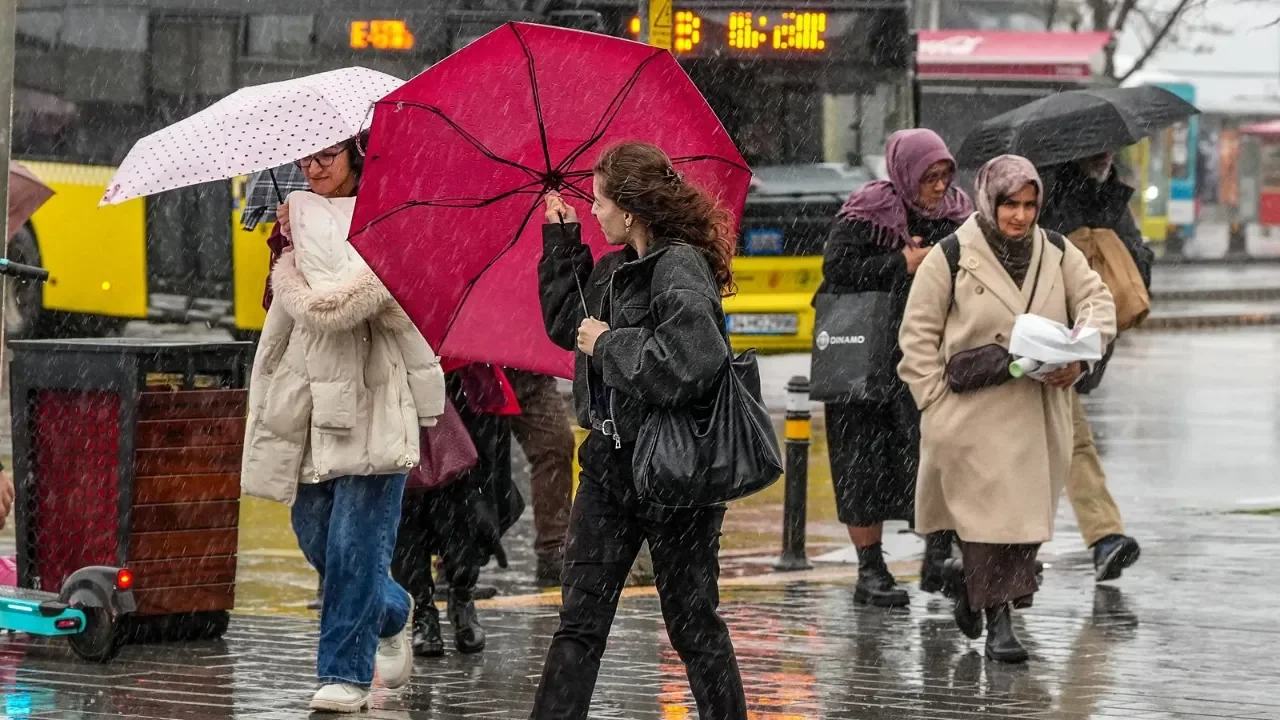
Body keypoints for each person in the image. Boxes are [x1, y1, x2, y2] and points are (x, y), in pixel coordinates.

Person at [531, 142, 746, 719]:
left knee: (693, 624)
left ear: (630, 210)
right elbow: (567, 325)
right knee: (578, 623)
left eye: (599, 201)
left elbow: (688, 363)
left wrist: (608, 345)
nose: (594, 210)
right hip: (608, 467)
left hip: (674, 474)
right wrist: (562, 243)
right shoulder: (613, 266)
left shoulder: (679, 269)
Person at [242, 136, 446, 712]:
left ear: (358, 154)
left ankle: (345, 676)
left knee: (355, 545)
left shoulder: (394, 214)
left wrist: (429, 395)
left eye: (326, 156)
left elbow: (413, 314)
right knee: (315, 534)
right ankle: (393, 610)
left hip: (377, 396)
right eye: (306, 159)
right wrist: (284, 247)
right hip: (311, 403)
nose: (313, 168)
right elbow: (273, 313)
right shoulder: (293, 220)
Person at [897, 154, 1116, 663]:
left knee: (1023, 528)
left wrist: (1081, 357)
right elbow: (917, 338)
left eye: (1029, 205)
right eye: (1010, 204)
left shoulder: (1058, 251)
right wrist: (935, 403)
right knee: (986, 526)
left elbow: (1097, 303)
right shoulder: (949, 255)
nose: (1020, 216)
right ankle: (1000, 623)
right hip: (972, 415)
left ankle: (979, 596)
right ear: (988, 200)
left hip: (1038, 413)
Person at [818, 128, 974, 607]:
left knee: (936, 461)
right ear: (906, 170)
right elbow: (836, 270)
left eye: (945, 175)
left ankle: (938, 557)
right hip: (865, 364)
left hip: (929, 363)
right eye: (930, 176)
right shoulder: (867, 212)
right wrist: (899, 265)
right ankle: (871, 570)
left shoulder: (961, 216)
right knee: (861, 466)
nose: (939, 186)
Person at [1038, 152, 1150, 582]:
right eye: (1096, 146)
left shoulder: (1111, 196)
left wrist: (1132, 263)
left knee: (1075, 443)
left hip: (1074, 343)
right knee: (1007, 454)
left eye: (1111, 146)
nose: (1105, 154)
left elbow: (1133, 254)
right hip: (1033, 341)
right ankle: (959, 545)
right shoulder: (1045, 192)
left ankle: (1105, 538)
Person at [392, 367, 521, 657]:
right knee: (407, 515)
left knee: (466, 512)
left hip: (467, 392)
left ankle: (462, 597)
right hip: (401, 393)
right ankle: (423, 612)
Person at [505, 368, 574, 587]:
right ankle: (454, 562)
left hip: (530, 371)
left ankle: (554, 551)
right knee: (470, 462)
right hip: (474, 370)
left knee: (555, 445)